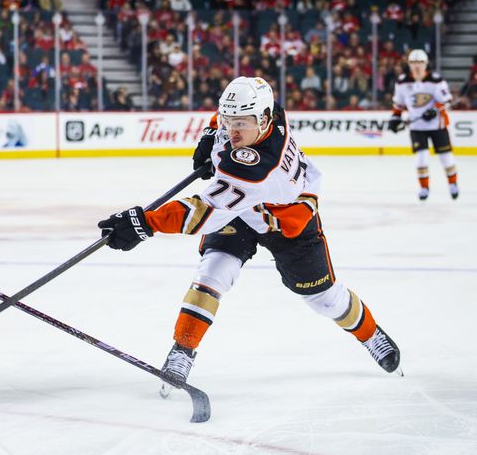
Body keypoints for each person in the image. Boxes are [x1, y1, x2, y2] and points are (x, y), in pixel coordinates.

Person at [97, 77, 401, 396]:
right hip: (244, 211)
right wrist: (211, 133)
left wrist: (144, 223)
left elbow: (203, 212)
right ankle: (183, 350)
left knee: (325, 299)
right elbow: (228, 116)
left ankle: (369, 334)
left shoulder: (257, 166)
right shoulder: (269, 113)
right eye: (229, 121)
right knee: (214, 271)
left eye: (241, 123)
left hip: (285, 222)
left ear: (264, 120)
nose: (233, 131)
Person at [388, 49, 459, 200]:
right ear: (409, 64)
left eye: (420, 62)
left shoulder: (435, 80)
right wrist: (395, 118)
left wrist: (434, 110)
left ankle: (453, 184)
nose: (417, 66)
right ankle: (424, 188)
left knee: (446, 157)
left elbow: (447, 101)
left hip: (437, 125)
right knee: (421, 158)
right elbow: (398, 104)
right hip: (417, 127)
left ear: (426, 64)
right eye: (414, 62)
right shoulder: (402, 82)